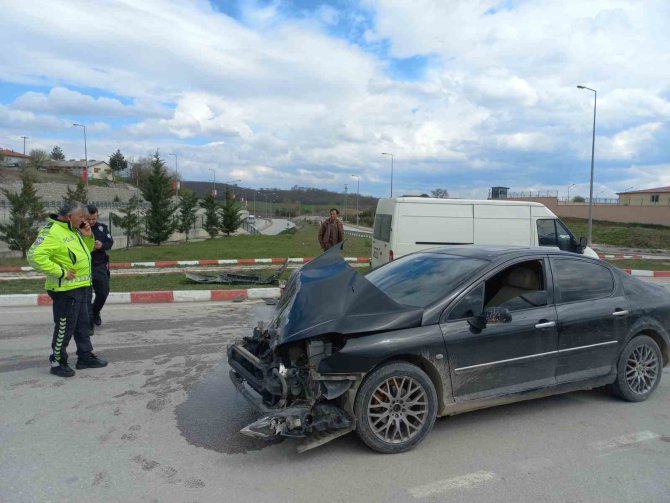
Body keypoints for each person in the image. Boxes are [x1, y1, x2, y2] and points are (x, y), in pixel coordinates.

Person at [27, 200, 108, 377]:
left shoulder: (73, 229)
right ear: (70, 216)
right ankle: (57, 361)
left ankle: (85, 356)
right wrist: (61, 272)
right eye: (81, 217)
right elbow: (34, 256)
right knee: (65, 327)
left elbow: (84, 254)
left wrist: (87, 236)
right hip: (66, 290)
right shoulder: (52, 232)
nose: (84, 221)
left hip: (82, 286)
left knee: (83, 325)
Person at [86, 204, 113, 329]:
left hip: (99, 265)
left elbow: (110, 242)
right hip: (84, 267)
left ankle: (95, 312)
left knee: (103, 292)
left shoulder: (102, 228)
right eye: (89, 219)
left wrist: (102, 245)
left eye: (94, 218)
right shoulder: (77, 229)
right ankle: (88, 321)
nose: (91, 221)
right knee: (86, 295)